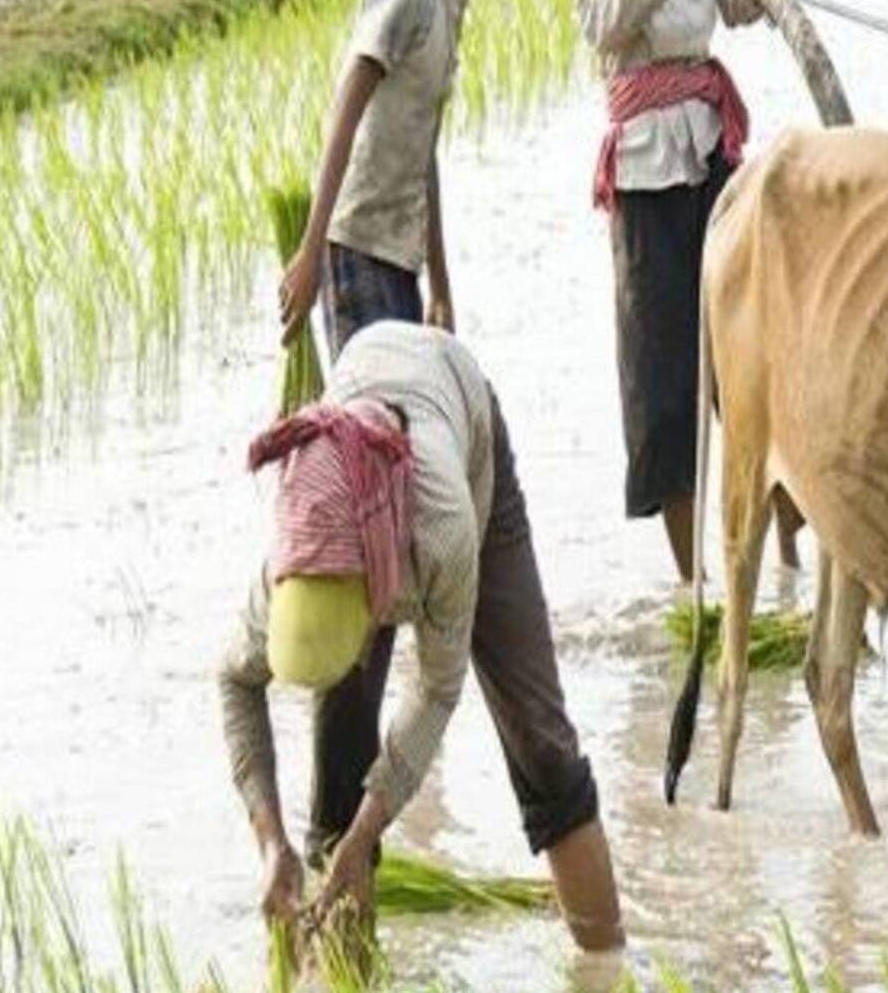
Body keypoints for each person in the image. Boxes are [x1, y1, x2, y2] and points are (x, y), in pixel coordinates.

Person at [218, 321, 624, 956]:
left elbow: (436, 691)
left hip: (461, 427)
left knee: (540, 743)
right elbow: (234, 680)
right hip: (361, 428)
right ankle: (347, 966)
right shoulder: (292, 558)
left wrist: (368, 834)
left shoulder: (443, 530)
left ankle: (606, 966)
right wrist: (271, 842)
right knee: (338, 770)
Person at [558, 0, 786, 581]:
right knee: (662, 385)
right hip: (645, 163)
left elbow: (732, 3)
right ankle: (697, 586)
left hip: (712, 146)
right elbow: (597, 18)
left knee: (751, 356)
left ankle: (774, 565)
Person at [277, 0, 505, 359]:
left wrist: (441, 285)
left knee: (404, 412)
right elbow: (347, 108)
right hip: (358, 248)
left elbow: (420, 148)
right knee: (377, 414)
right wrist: (310, 254)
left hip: (398, 253)